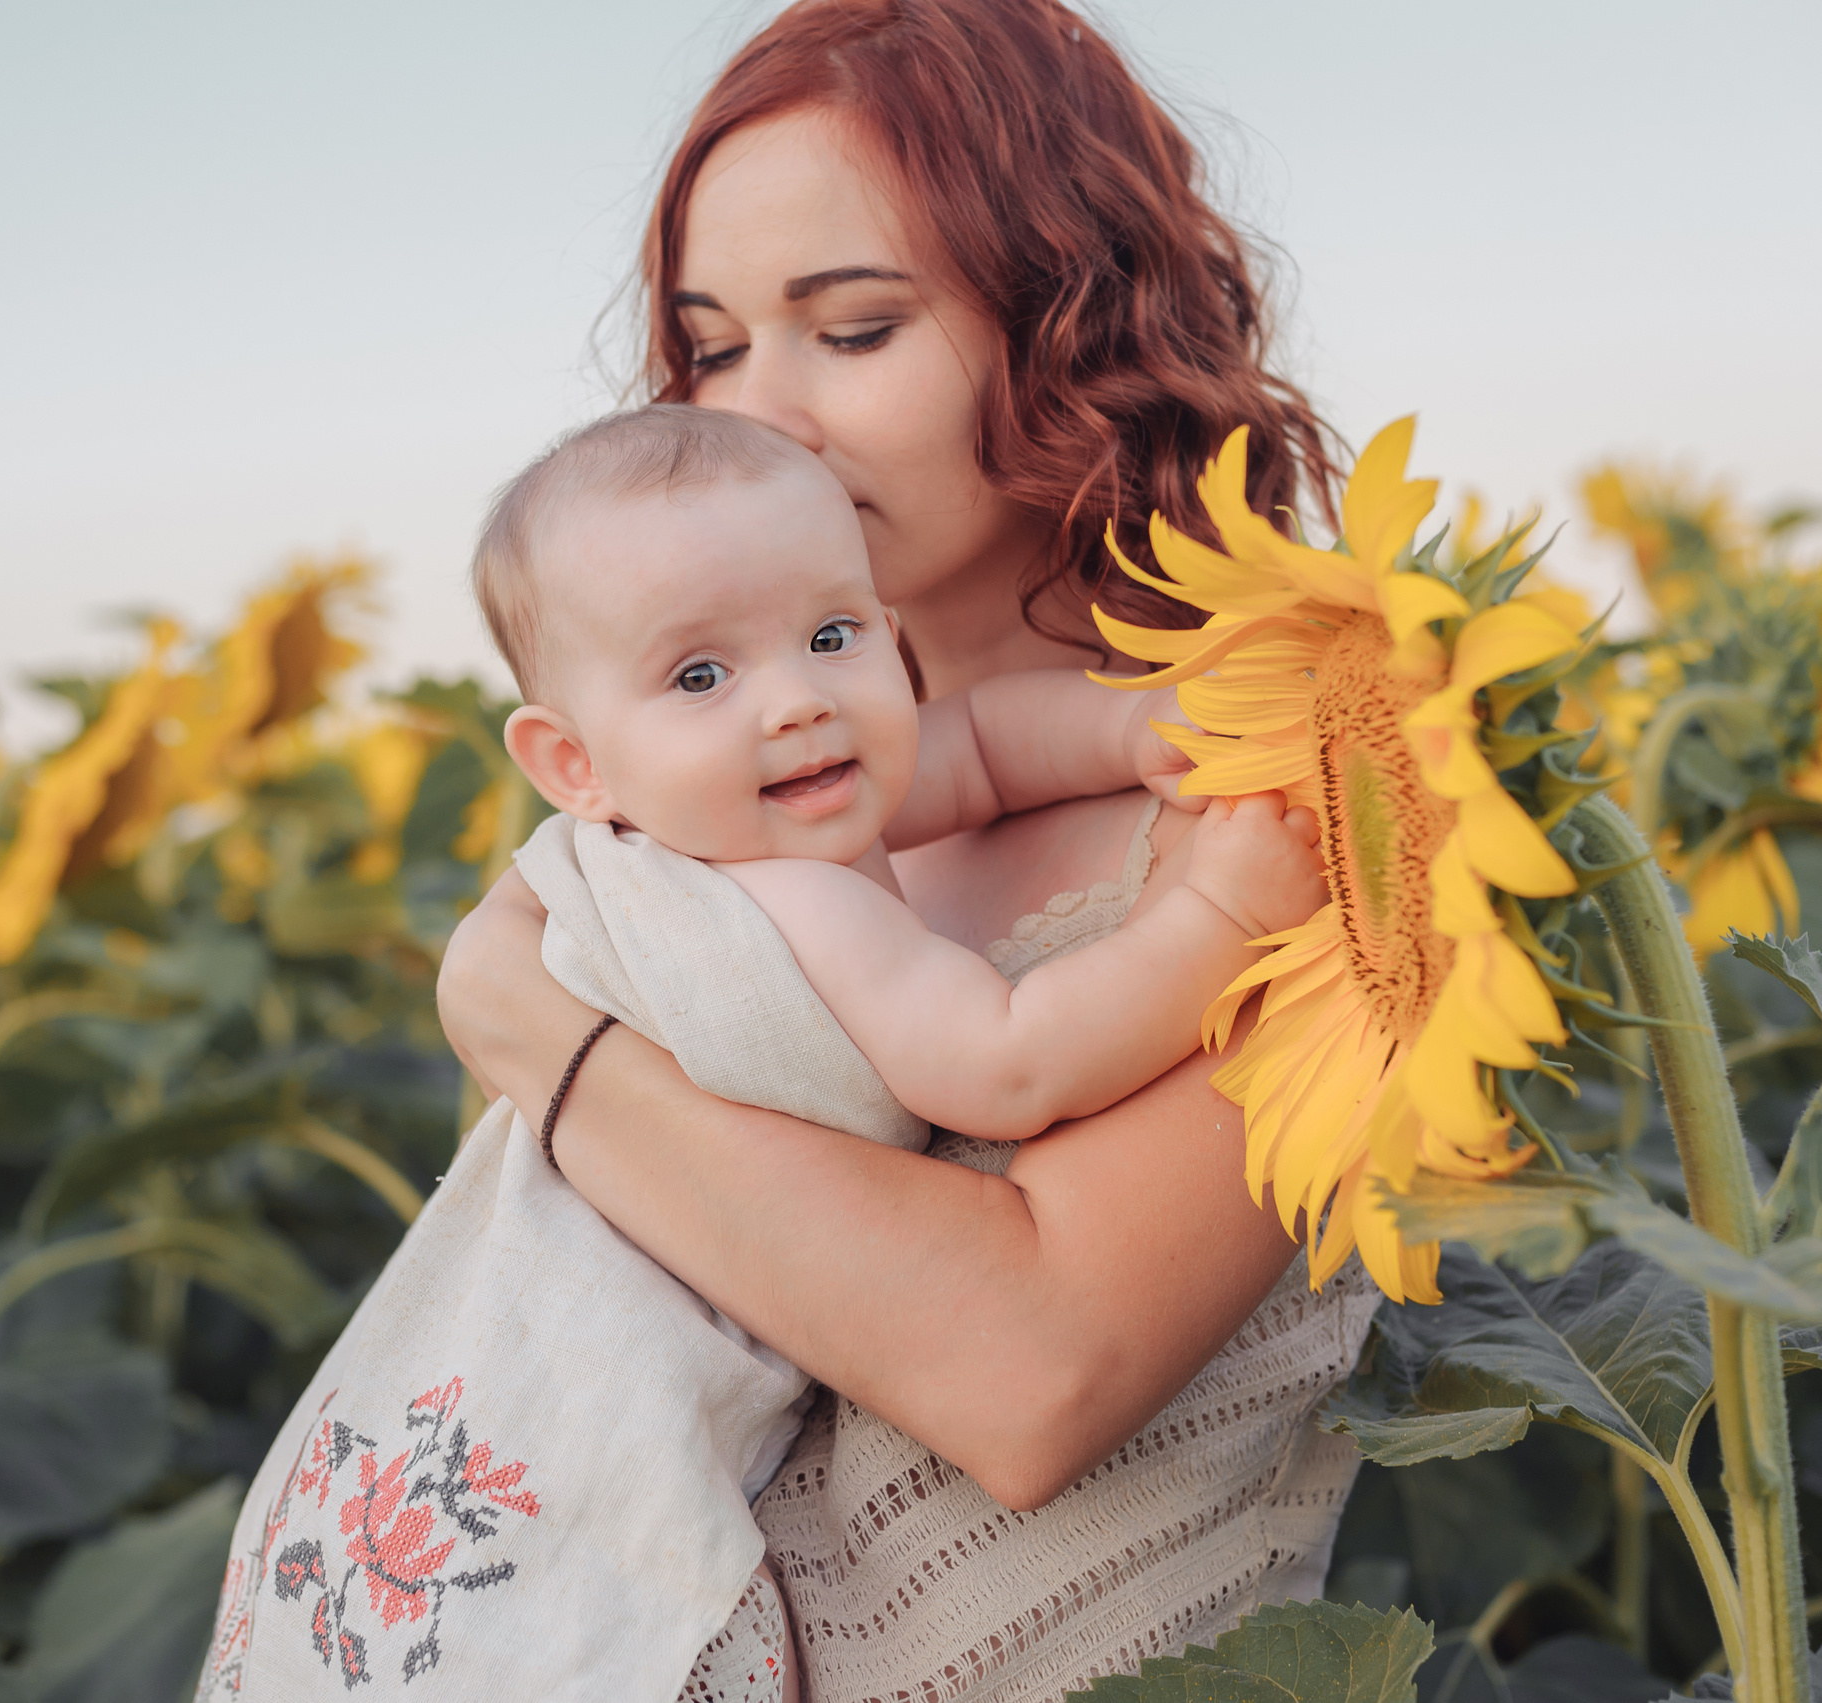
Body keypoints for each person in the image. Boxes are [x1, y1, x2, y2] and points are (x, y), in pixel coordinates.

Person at [437, 3, 1379, 1699]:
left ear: (1076, 315)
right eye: (714, 348)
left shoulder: (1310, 797)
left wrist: (536, 1035)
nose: (764, 417)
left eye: (853, 329)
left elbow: (1034, 1375)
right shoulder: (733, 805)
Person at [199, 402, 1324, 1702]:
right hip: (590, 1386)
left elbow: (986, 748)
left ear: (885, 645)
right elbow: (1008, 1061)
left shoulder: (763, 801)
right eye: (699, 677)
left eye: (831, 636)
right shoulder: (784, 901)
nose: (795, 701)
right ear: (574, 765)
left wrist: (1139, 730)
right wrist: (1225, 916)